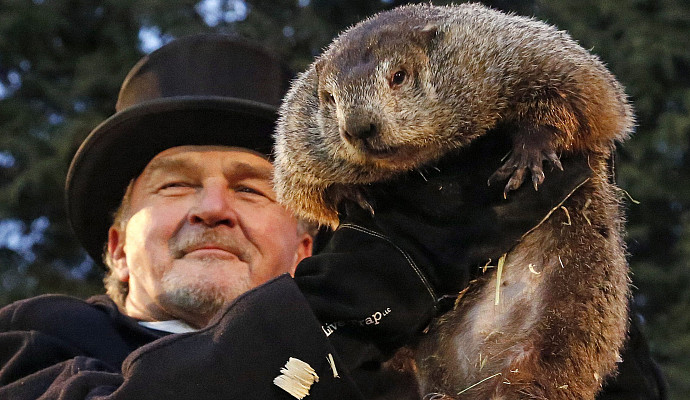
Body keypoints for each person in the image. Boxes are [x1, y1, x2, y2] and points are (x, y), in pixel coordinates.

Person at [0, 34, 666, 400]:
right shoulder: (36, 346)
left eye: (253, 189)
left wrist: (559, 265)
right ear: (117, 247)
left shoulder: (406, 372)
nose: (213, 209)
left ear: (306, 245)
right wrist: (379, 282)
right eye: (174, 187)